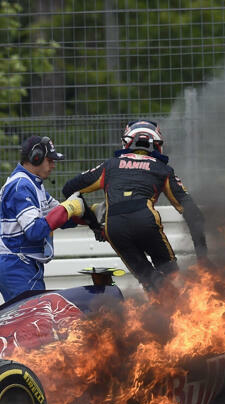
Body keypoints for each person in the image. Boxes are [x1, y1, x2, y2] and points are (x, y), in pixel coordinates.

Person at [62, 120, 207, 291]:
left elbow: (69, 189)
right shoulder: (162, 169)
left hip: (114, 226)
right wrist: (203, 258)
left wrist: (94, 224)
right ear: (157, 144)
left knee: (148, 279)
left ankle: (158, 315)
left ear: (127, 141)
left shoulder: (110, 165)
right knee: (171, 275)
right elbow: (193, 213)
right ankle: (183, 312)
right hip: (145, 220)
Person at [0, 135, 88, 300]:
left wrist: (94, 217)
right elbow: (35, 230)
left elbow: (59, 216)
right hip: (17, 267)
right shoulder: (20, 185)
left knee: (29, 323)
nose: (53, 165)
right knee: (33, 324)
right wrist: (69, 207)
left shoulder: (34, 185)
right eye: (49, 160)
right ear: (35, 158)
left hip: (22, 266)